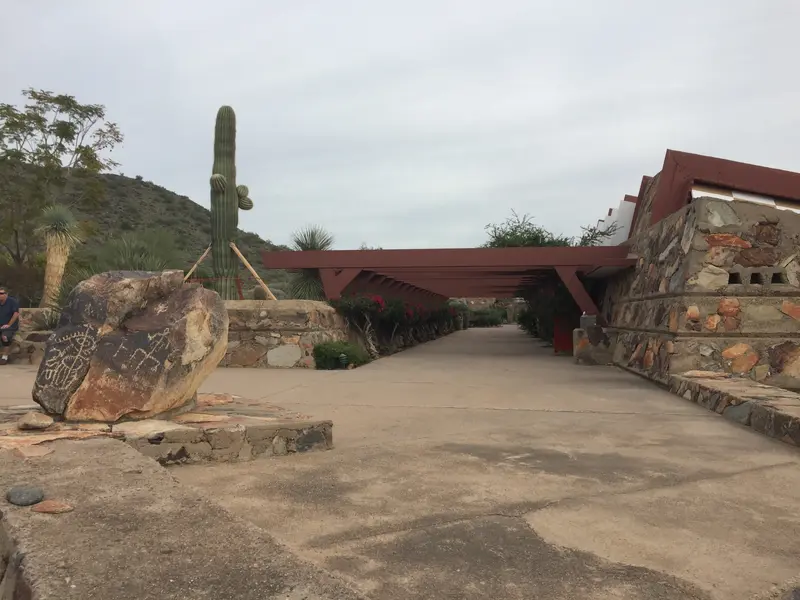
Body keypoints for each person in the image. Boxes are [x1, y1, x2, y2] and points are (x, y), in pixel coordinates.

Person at [0, 286, 20, 365]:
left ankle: (4, 357)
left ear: (6, 294)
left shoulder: (12, 302)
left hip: (10, 326)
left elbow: (16, 314)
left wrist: (8, 325)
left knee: (5, 337)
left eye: (1, 293)